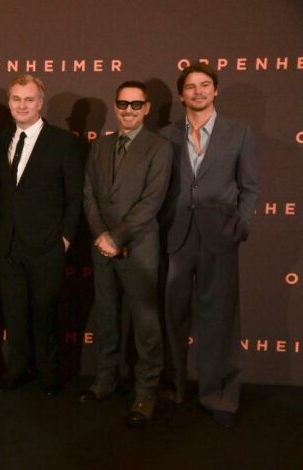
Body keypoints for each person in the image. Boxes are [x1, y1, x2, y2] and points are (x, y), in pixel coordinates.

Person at [161, 62, 260, 428]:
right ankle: (174, 387)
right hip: (176, 236)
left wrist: (241, 225)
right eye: (191, 86)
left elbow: (250, 187)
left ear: (215, 90)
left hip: (220, 236)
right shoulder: (166, 135)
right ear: (182, 94)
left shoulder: (240, 133)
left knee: (219, 320)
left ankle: (219, 395)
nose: (198, 91)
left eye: (205, 85)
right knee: (172, 316)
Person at [81, 81, 173, 428]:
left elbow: (152, 201)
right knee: (106, 317)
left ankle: (145, 392)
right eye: (123, 104)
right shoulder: (100, 145)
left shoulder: (159, 147)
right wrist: (101, 235)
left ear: (147, 108)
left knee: (145, 324)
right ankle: (106, 379)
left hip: (138, 247)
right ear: (116, 106)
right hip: (102, 246)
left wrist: (116, 237)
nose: (129, 110)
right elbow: (89, 194)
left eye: (136, 104)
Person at [0, 74, 83, 396]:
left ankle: (49, 373)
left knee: (46, 312)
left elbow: (75, 195)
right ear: (9, 103)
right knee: (14, 312)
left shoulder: (63, 141)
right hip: (9, 243)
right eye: (16, 99)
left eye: (29, 99)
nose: (22, 105)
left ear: (40, 103)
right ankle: (17, 368)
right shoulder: (4, 138)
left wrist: (65, 237)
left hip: (47, 244)